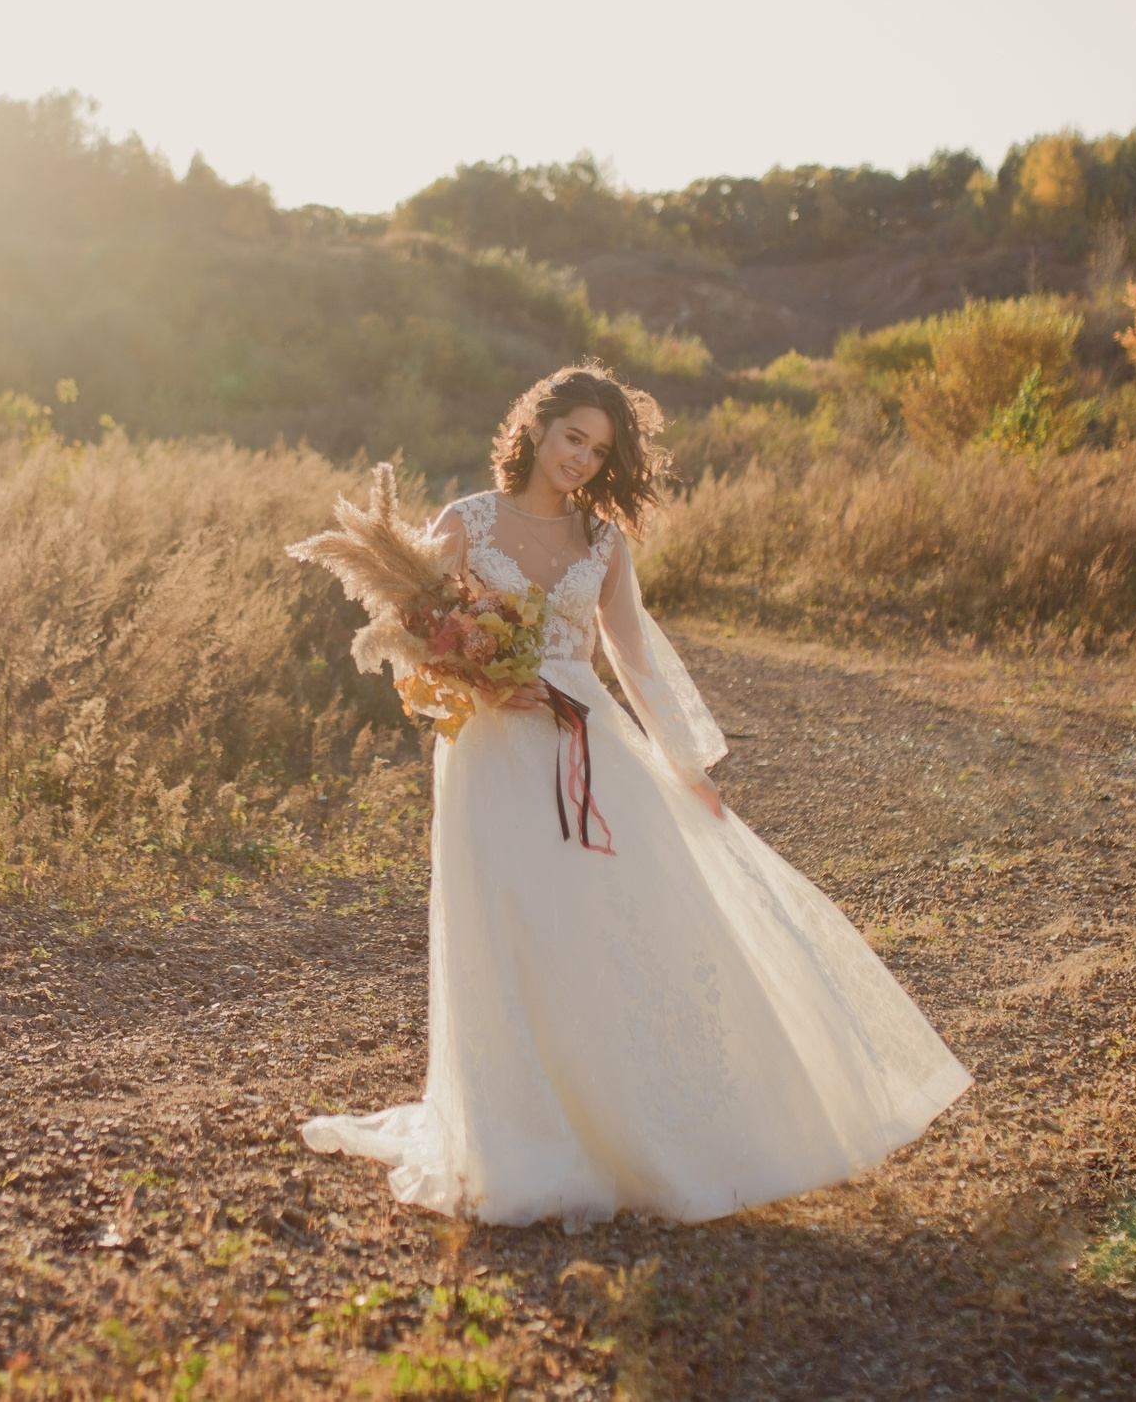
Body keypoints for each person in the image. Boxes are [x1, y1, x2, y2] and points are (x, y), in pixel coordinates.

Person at [301, 365, 970, 1227]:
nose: (581, 458)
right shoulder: (467, 520)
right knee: (511, 921)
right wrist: (484, 677)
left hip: (589, 738)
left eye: (598, 449)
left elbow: (637, 661)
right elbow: (418, 639)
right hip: (493, 748)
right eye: (572, 437)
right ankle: (517, 1128)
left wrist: (688, 767)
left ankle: (625, 1121)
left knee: (605, 920)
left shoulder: (604, 542)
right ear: (535, 429)